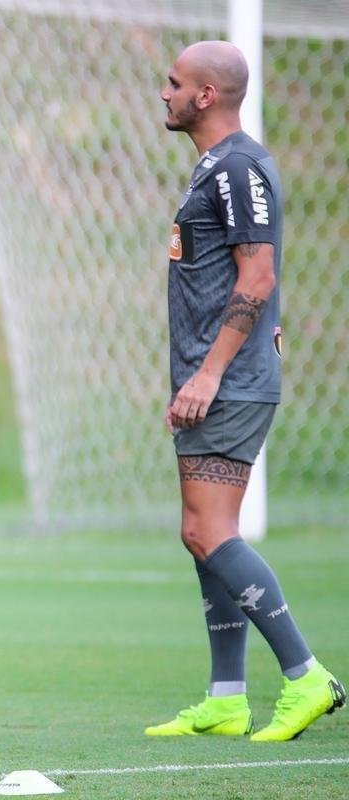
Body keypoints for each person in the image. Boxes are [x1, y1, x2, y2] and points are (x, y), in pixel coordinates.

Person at [145, 41, 343, 742]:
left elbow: (257, 277)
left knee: (208, 530)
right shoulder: (216, 169)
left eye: (173, 83)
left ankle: (306, 676)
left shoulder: (236, 168)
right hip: (218, 377)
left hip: (227, 380)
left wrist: (208, 371)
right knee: (199, 533)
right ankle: (227, 698)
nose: (162, 93)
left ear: (206, 95)